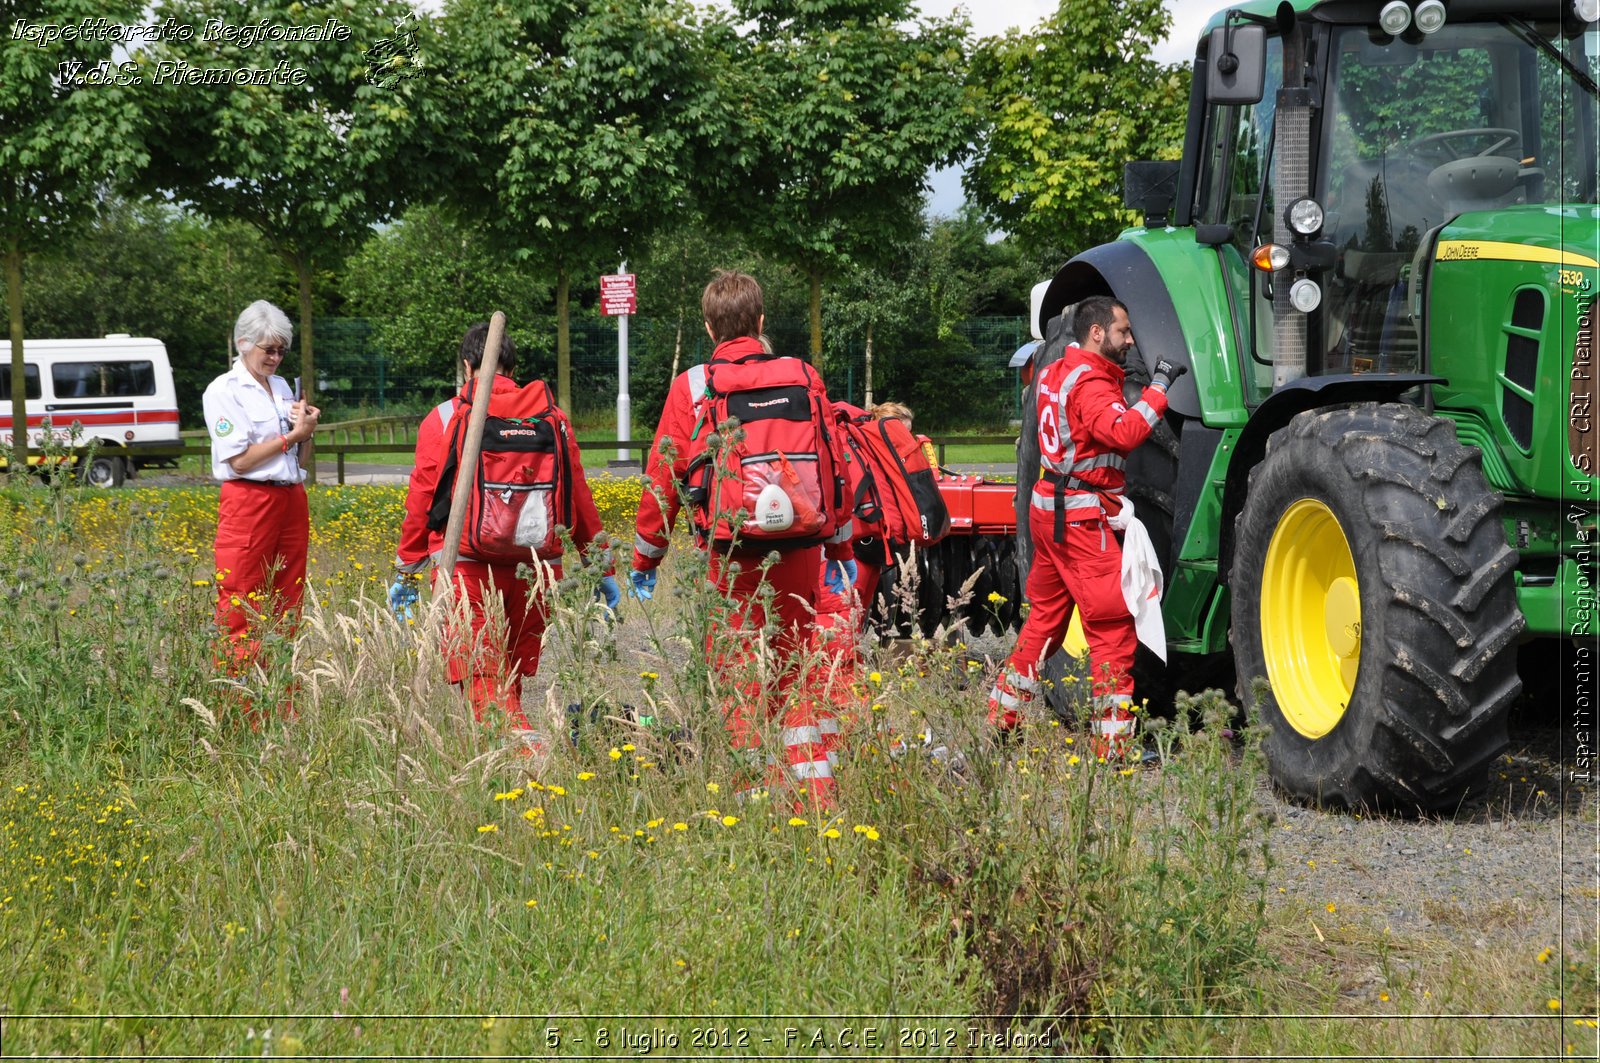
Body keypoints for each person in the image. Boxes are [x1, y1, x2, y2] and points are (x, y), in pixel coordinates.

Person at [630, 270, 854, 805]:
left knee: (737, 675)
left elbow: (663, 479)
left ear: (709, 328)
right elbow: (834, 465)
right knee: (798, 667)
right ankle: (814, 799)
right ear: (760, 321)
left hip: (729, 555)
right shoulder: (803, 376)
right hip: (801, 547)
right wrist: (839, 546)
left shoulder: (692, 386)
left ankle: (751, 802)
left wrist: (646, 559)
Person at [391, 324, 616, 749]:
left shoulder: (444, 417)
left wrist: (407, 568)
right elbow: (579, 496)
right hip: (536, 571)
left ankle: (527, 758)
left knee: (485, 684)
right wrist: (600, 564)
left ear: (466, 366)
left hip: (466, 570)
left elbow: (423, 495)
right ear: (513, 367)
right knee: (505, 678)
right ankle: (510, 780)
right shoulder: (552, 419)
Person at [986, 295, 1185, 757]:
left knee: (1045, 621)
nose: (1130, 339)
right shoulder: (1093, 381)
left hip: (1049, 509)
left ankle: (1002, 717)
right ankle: (1113, 748)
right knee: (1112, 628)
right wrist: (1157, 388)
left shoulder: (1054, 371)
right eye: (1123, 331)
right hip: (1080, 518)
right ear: (1097, 332)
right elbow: (1121, 433)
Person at [202, 300, 320, 711]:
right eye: (267, 349)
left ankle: (281, 701)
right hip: (249, 499)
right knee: (241, 600)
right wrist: (291, 436)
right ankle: (239, 706)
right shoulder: (224, 391)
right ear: (243, 343)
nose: (274, 357)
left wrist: (305, 433)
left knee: (289, 599)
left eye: (281, 350)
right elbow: (240, 460)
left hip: (290, 496)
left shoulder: (283, 387)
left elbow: (295, 460)